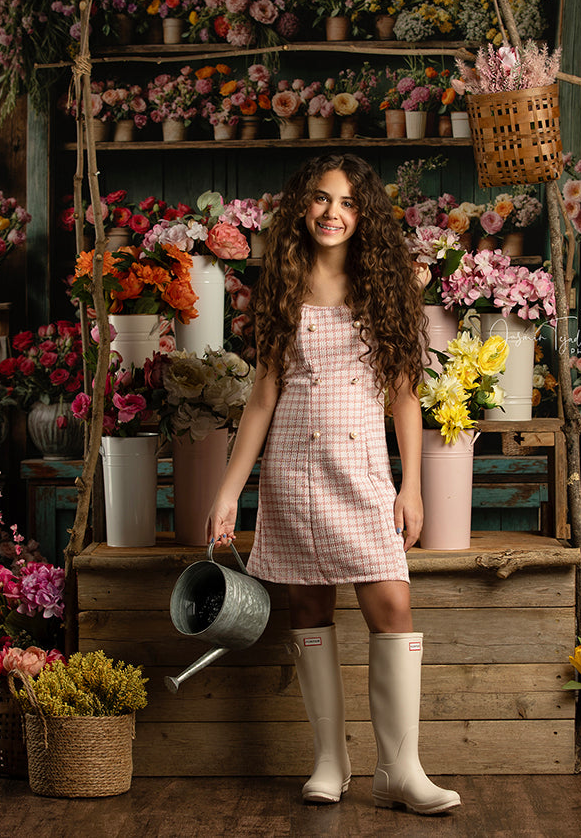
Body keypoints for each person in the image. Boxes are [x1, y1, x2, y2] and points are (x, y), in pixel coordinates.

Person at [206, 153, 460, 816]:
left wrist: (413, 486)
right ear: (304, 208)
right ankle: (330, 760)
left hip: (364, 476)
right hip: (292, 472)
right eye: (320, 199)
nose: (331, 213)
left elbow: (405, 395)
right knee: (309, 612)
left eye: (346, 203)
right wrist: (230, 491)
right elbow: (262, 398)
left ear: (362, 213)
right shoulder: (280, 286)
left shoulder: (386, 284)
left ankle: (401, 770)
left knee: (392, 611)